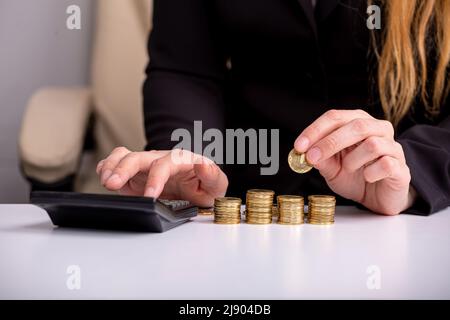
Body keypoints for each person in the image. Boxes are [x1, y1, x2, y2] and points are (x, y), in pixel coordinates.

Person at [96, 0, 450, 215]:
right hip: (246, 202)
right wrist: (191, 157)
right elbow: (186, 68)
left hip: (410, 215)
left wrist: (412, 178)